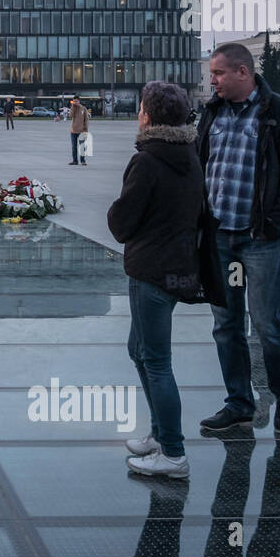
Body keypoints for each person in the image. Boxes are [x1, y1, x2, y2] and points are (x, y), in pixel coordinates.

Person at [196, 43, 280, 434]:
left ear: (243, 72)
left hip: (259, 240)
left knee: (266, 323)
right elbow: (201, 165)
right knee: (226, 323)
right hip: (222, 240)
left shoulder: (279, 113)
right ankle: (239, 403)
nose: (212, 81)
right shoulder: (212, 112)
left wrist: (275, 223)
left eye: (218, 73)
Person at [108, 82, 208, 479]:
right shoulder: (189, 153)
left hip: (150, 269)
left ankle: (173, 452)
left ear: (148, 115)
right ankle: (159, 432)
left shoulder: (148, 160)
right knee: (139, 350)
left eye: (141, 109)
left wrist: (117, 214)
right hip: (178, 267)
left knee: (156, 361)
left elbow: (122, 222)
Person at [69, 98, 90, 166]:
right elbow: (70, 116)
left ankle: (83, 160)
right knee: (74, 147)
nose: (75, 102)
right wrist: (73, 107)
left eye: (76, 101)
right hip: (73, 131)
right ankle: (75, 161)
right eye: (74, 101)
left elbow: (86, 119)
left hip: (82, 130)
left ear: (79, 101)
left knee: (82, 146)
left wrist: (86, 129)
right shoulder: (73, 108)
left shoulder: (83, 108)